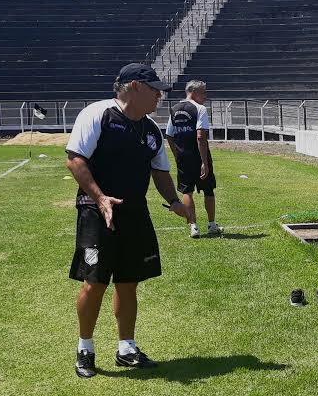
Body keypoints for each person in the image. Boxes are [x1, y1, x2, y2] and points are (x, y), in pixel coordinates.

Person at [66, 63, 189, 378]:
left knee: (128, 281)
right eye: (155, 90)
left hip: (135, 211)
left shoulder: (151, 129)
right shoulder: (98, 114)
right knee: (94, 283)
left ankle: (126, 348)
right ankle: (85, 348)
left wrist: (174, 201)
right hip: (97, 210)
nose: (160, 96)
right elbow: (76, 159)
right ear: (135, 86)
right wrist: (100, 198)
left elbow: (159, 171)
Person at [165, 79, 222, 238]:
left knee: (187, 191)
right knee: (208, 190)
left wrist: (177, 155)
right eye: (203, 92)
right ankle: (211, 225)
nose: (205, 96)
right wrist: (204, 162)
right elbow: (200, 136)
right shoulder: (200, 109)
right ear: (194, 92)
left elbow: (169, 135)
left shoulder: (174, 109)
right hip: (198, 156)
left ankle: (194, 227)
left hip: (183, 157)